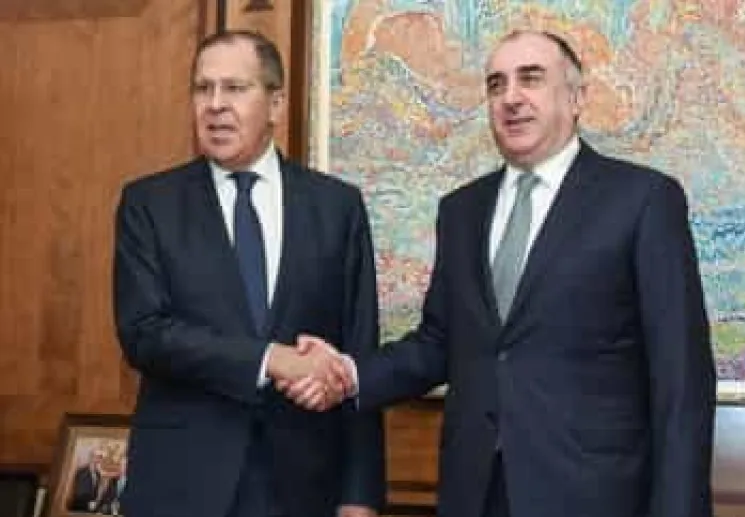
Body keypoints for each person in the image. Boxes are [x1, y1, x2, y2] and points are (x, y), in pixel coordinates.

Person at [284, 30, 716, 517]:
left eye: (530, 79)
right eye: (496, 84)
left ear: (576, 98)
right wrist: (349, 373)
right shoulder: (461, 211)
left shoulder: (642, 200)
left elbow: (681, 380)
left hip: (594, 496)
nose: (511, 97)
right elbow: (438, 344)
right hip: (476, 492)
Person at [112, 30, 384, 517]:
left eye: (235, 88)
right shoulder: (150, 205)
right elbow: (144, 334)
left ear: (276, 104)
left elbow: (359, 351)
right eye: (203, 88)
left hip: (304, 485)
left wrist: (360, 495)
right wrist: (271, 359)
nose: (215, 105)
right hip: (182, 484)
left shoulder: (336, 207)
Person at [69, 448, 105, 512]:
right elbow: (80, 492)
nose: (99, 460)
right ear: (91, 457)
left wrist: (95, 503)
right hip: (79, 508)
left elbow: (95, 492)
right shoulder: (82, 471)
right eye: (98, 457)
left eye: (101, 458)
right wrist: (88, 503)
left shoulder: (98, 474)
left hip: (91, 509)